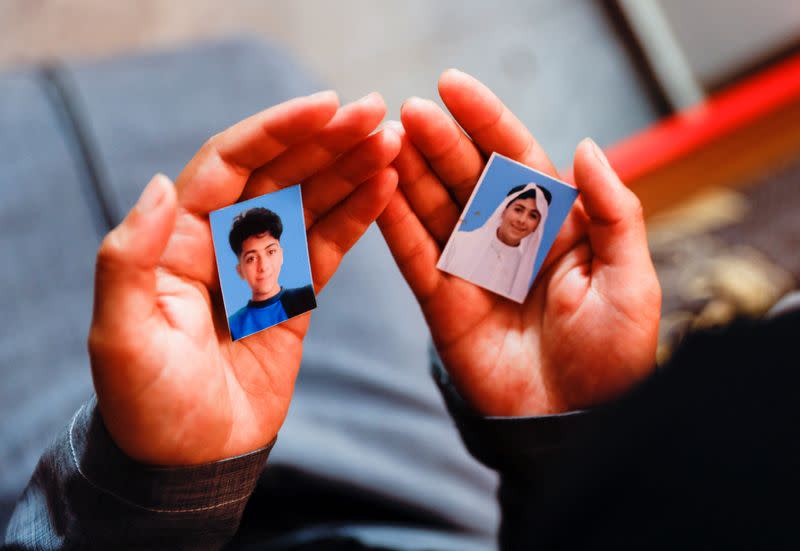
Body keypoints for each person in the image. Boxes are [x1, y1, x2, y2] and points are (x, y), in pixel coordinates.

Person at [8, 69, 745, 550]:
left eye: (528, 214)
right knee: (273, 99)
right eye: (517, 212)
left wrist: (153, 482)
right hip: (420, 497)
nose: (524, 219)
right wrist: (574, 440)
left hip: (94, 486)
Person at [438, 182, 551, 303]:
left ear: (537, 226)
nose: (522, 220)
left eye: (533, 216)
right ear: (503, 211)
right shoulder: (458, 242)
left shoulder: (526, 274)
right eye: (518, 210)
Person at [226, 207, 316, 340]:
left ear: (281, 255)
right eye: (251, 258)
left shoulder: (306, 297)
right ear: (240, 271)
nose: (263, 266)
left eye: (271, 252)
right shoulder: (233, 327)